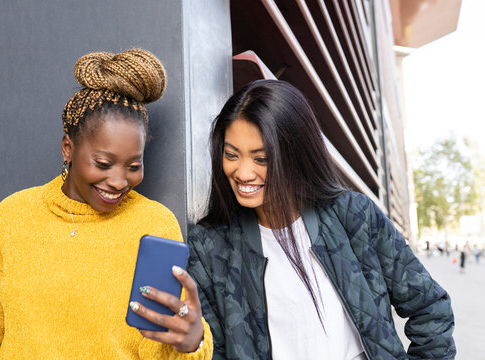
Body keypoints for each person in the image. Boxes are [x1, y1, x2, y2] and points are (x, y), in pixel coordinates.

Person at [0, 49, 212, 359]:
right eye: (103, 163)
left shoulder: (154, 224)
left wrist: (194, 343)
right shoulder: (14, 215)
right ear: (68, 148)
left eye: (133, 166)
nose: (119, 181)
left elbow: (165, 341)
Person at [187, 79, 455, 359]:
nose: (242, 172)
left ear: (295, 154)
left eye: (261, 159)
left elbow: (430, 308)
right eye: (231, 155)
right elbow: (213, 351)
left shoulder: (354, 216)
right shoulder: (208, 249)